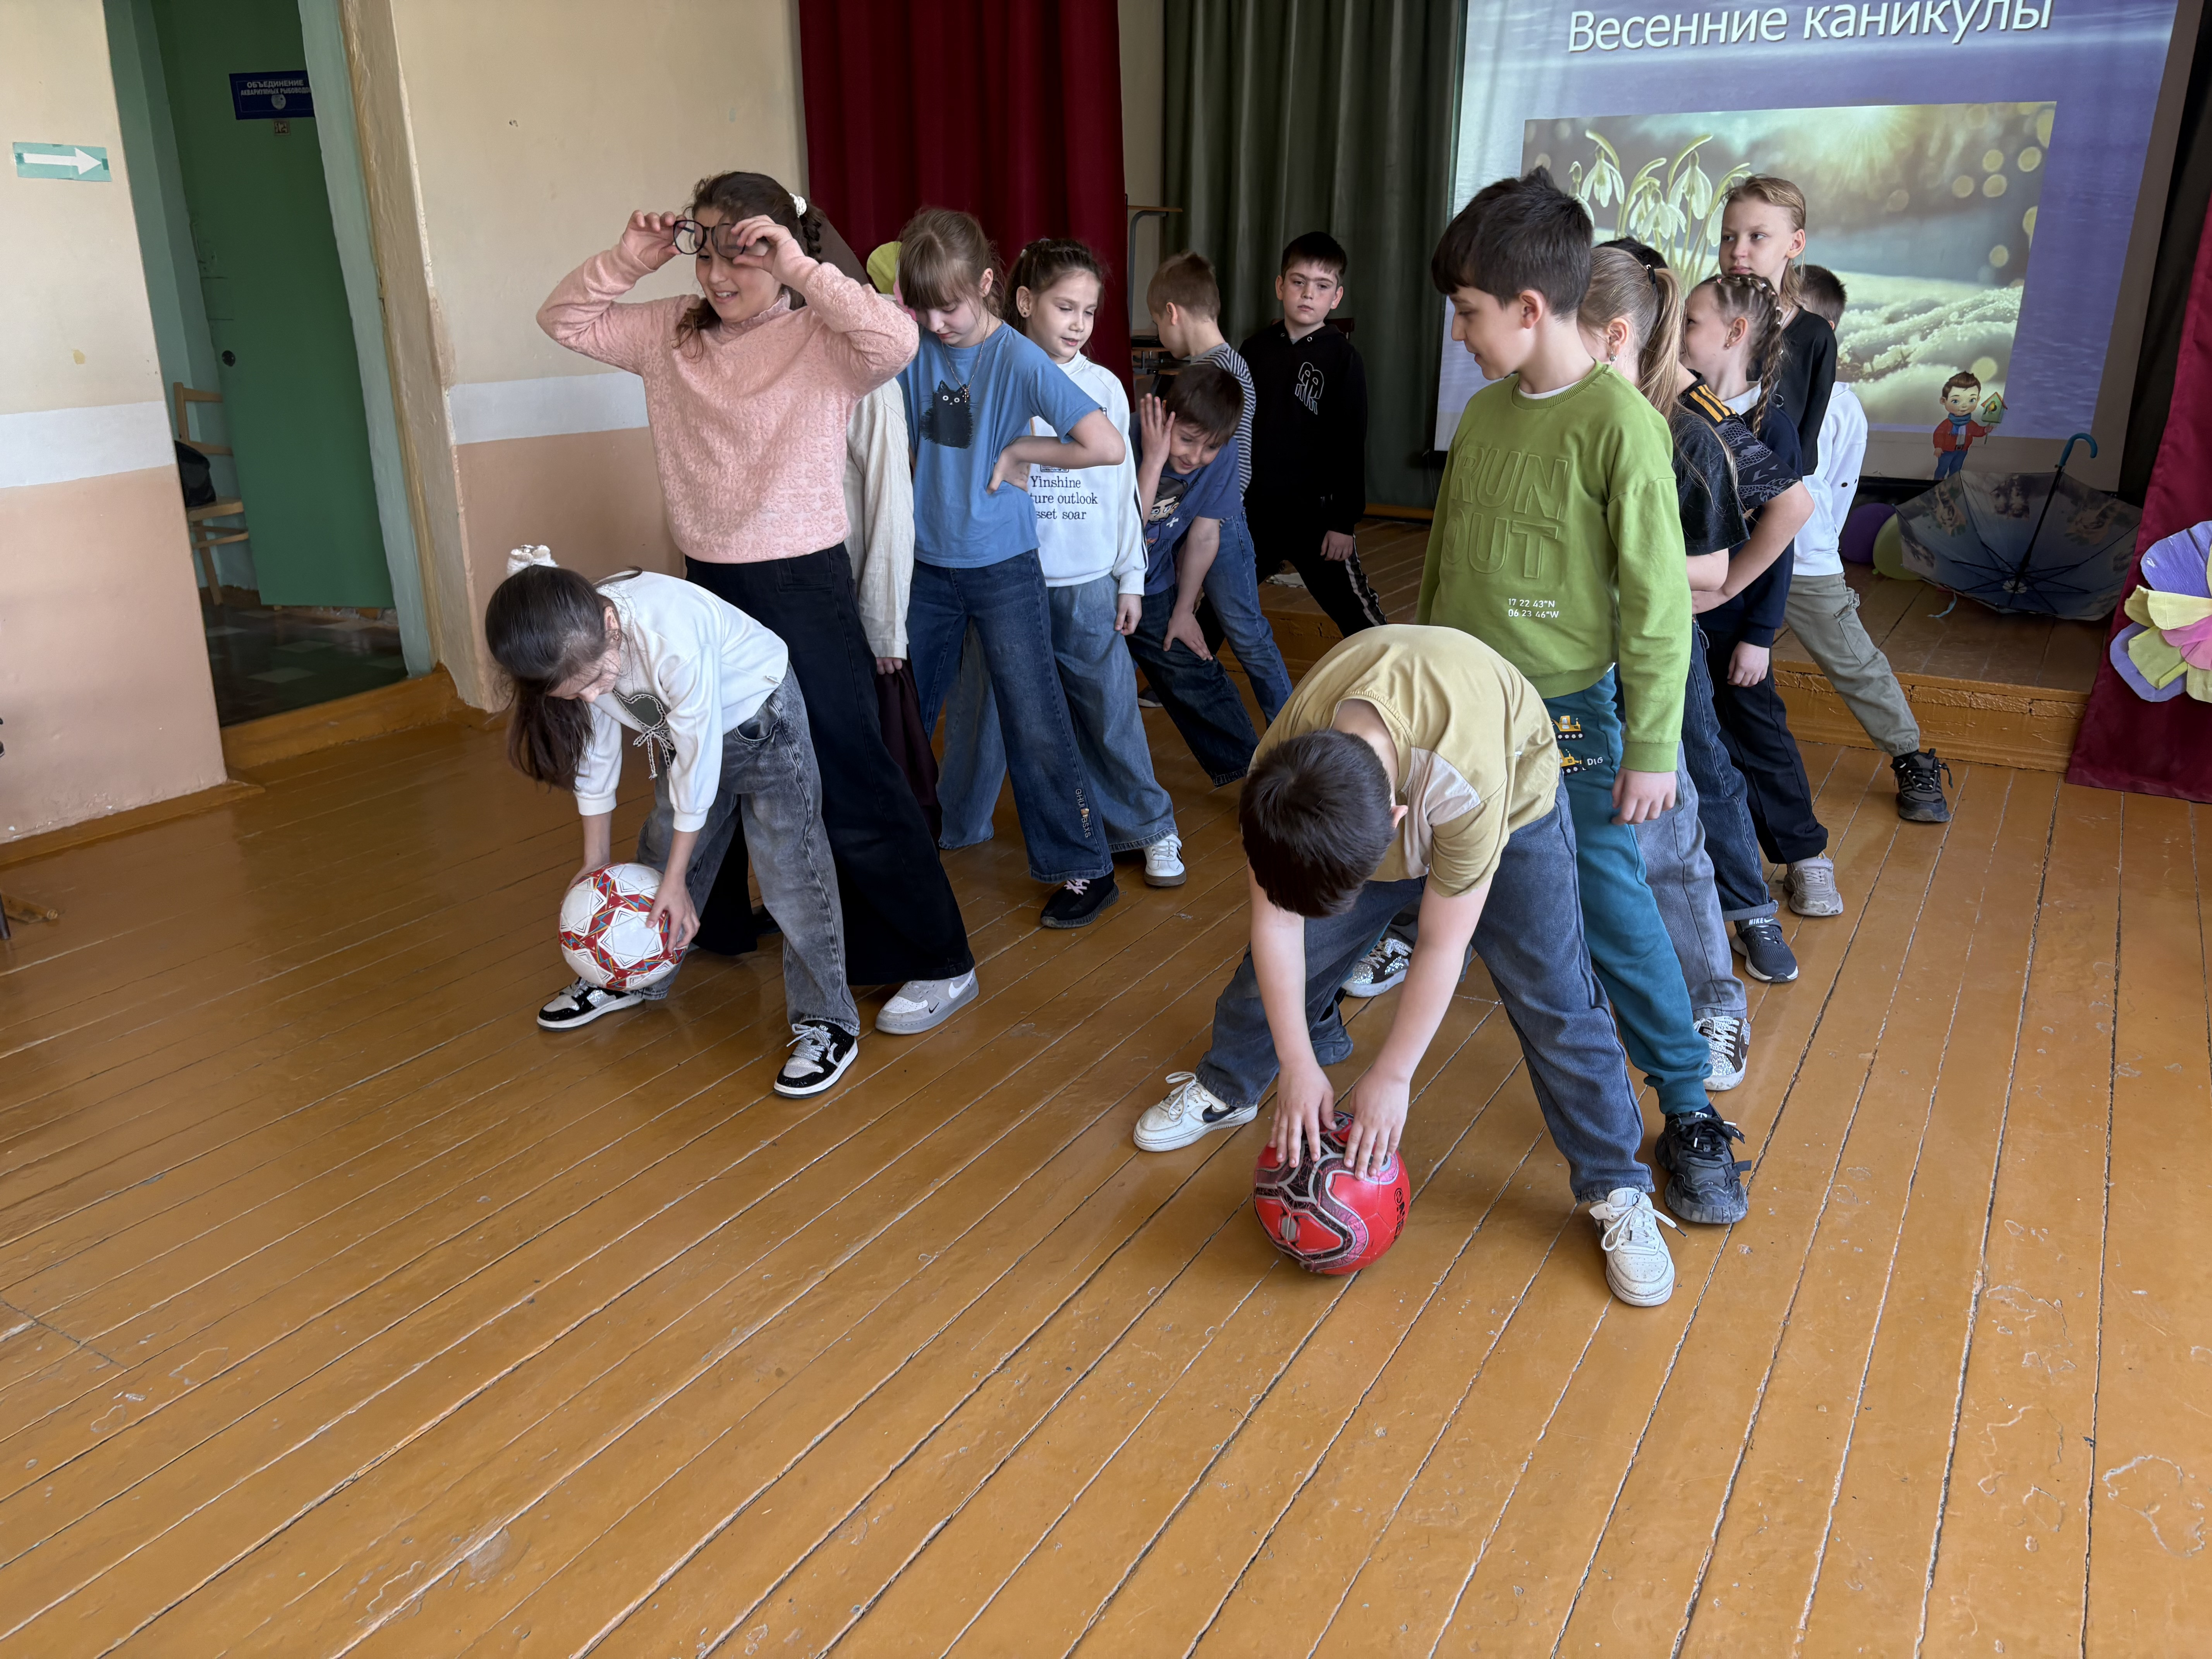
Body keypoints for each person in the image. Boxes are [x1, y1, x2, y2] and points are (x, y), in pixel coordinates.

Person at [537, 172, 979, 1039]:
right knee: (700, 767)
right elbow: (566, 321)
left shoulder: (821, 334)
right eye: (710, 247)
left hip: (804, 583)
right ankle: (686, 933)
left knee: (847, 773)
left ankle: (938, 959)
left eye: (749, 249)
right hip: (711, 579)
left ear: (783, 247)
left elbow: (895, 343)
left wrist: (805, 269)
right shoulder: (672, 331)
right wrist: (633, 257)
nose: (721, 273)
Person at [1130, 627, 1678, 1307]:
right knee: (1275, 967)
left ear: (1396, 824)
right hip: (1381, 792)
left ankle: (1615, 1185)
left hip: (1512, 804)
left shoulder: (1464, 782)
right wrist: (1297, 1063)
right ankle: (1231, 1085)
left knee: (1555, 996)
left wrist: (1394, 1072)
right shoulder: (1281, 774)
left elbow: (1443, 943)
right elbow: (1275, 922)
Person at [1417, 169, 1744, 1227]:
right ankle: (1268, 1053)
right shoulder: (1481, 417)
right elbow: (1444, 568)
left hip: (1569, 720)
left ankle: (1689, 1107)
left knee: (1611, 909)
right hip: (1465, 713)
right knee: (1395, 883)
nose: (1459, 335)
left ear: (1526, 307)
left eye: (1467, 313)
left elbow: (1657, 606)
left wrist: (1652, 745)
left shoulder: (1619, 425)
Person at [486, 551, 860, 1098]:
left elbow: (699, 761)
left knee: (792, 872)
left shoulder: (669, 636)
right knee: (659, 851)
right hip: (683, 736)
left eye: (596, 682)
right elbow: (597, 758)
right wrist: (594, 863)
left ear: (611, 626)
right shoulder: (571, 645)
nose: (593, 696)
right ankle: (631, 973)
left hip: (761, 720)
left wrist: (678, 880)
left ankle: (829, 1023)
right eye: (576, 694)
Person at [894, 207, 1132, 931]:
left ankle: (1084, 867)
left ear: (990, 286)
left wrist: (1022, 452)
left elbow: (1106, 446)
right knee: (902, 717)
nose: (938, 322)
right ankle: (887, 859)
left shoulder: (1018, 359)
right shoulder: (910, 349)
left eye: (952, 305)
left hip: (1004, 569)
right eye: (923, 306)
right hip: (927, 570)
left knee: (1035, 719)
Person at [934, 238, 1187, 888]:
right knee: (977, 709)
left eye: (1088, 312)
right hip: (999, 579)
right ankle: (956, 821)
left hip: (1086, 583)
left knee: (1109, 710)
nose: (1077, 323)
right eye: (1063, 307)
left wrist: (1130, 576)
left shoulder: (1102, 385)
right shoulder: (983, 373)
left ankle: (1150, 827)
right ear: (1023, 302)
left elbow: (1123, 490)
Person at [1678, 271, 1840, 924]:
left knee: (1758, 735)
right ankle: (1726, 867)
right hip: (1683, 610)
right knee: (1704, 742)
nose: (1679, 333)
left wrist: (1758, 633)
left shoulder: (1770, 425)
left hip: (1738, 614)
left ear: (1734, 333)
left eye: (1690, 323)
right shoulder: (1676, 412)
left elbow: (1782, 533)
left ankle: (1805, 854)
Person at [1795, 266, 1954, 824]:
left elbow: (1838, 488)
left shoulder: (1842, 406)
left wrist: (1821, 553)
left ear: (1827, 330)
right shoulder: (1738, 387)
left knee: (1855, 663)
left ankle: (1912, 757)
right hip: (1733, 561)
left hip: (1804, 563)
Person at [1148, 251, 1294, 721]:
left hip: (1220, 523)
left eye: (1158, 323)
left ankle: (1291, 731)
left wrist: (1205, 514)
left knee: (1248, 634)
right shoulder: (1215, 365)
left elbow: (1238, 468)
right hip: (1190, 518)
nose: (1160, 336)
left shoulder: (1222, 372)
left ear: (1172, 313)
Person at [1240, 232, 1387, 638]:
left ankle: (1396, 683)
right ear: (1280, 286)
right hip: (1257, 513)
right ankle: (1179, 686)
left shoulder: (1343, 359)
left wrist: (1344, 522)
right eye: (1298, 282)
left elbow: (1351, 441)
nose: (1308, 294)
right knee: (1221, 605)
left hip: (1318, 521)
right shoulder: (1254, 350)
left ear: (1336, 297)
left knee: (1357, 617)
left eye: (1322, 286)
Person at [1127, 362, 1264, 788]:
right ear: (1165, 416)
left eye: (1210, 448)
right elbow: (1125, 534)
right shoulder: (1129, 435)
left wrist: (1185, 610)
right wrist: (1153, 459)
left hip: (1154, 585)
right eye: (1186, 440)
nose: (1195, 457)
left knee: (1195, 668)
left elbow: (1204, 536)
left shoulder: (1220, 458)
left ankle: (1256, 780)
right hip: (1099, 586)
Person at [1719, 174, 1834, 470]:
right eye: (1728, 237)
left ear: (1795, 243)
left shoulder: (1815, 337)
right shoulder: (1697, 325)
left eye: (1757, 237)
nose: (1737, 251)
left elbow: (1803, 453)